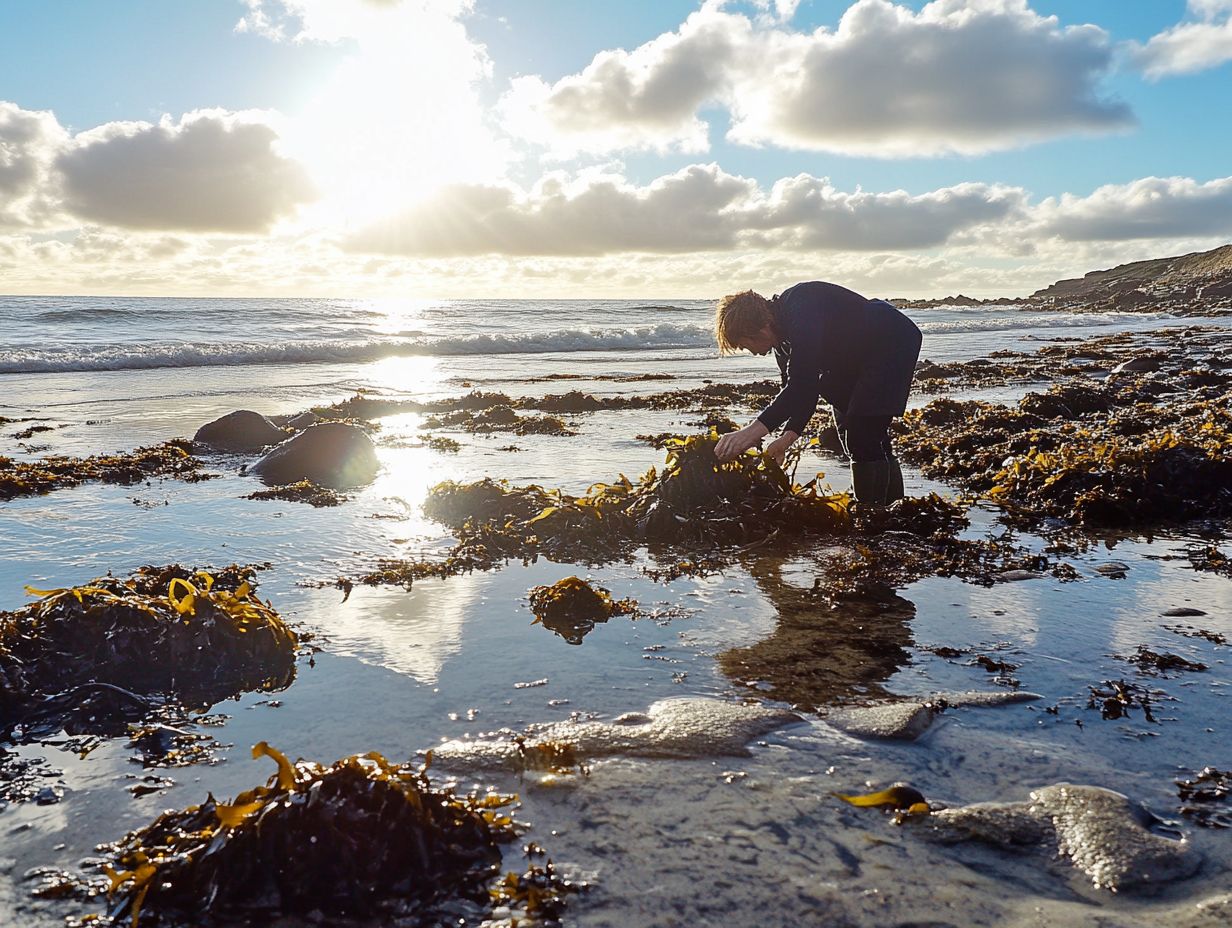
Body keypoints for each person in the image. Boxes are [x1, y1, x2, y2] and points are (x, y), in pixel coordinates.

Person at [712, 282, 922, 506]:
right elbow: (801, 392)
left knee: (863, 433)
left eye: (746, 345)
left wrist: (752, 432)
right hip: (850, 359)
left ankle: (872, 514)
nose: (752, 352)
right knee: (855, 432)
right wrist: (787, 437)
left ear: (761, 328)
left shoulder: (801, 305)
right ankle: (891, 507)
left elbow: (802, 383)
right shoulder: (782, 343)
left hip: (890, 341)